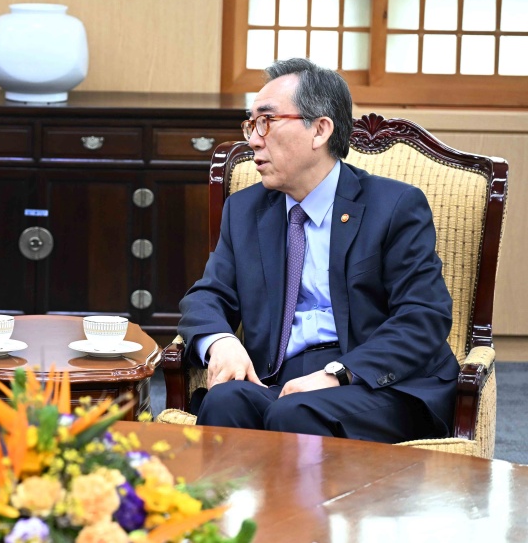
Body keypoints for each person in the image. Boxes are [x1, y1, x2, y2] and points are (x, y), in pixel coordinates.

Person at [178, 57, 458, 443]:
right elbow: (207, 295)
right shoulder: (245, 210)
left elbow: (423, 316)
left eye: (267, 121)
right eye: (250, 124)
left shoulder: (394, 206)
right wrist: (222, 343)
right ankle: (232, 507)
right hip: (280, 377)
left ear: (320, 130)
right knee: (225, 401)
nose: (253, 139)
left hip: (374, 383)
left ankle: (304, 507)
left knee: (297, 413)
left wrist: (336, 373)